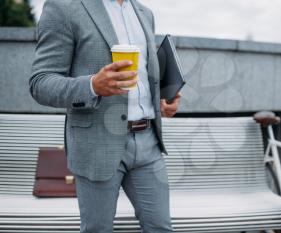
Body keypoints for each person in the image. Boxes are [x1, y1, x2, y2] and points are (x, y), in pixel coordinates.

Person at [29, 0, 180, 232]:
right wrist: (92, 85)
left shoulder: (144, 13)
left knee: (161, 228)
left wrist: (161, 103)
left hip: (148, 142)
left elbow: (141, 78)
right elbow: (41, 83)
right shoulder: (64, 7)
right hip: (97, 143)